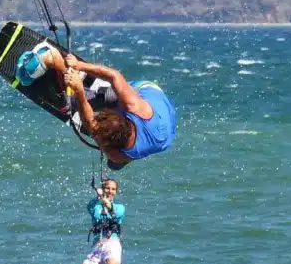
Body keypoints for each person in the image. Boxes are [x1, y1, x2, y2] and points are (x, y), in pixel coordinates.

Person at [15, 42, 176, 171]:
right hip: (148, 91)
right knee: (91, 101)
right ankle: (54, 59)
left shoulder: (117, 156)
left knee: (113, 166)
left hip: (166, 125)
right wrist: (79, 69)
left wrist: (79, 91)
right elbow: (114, 76)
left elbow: (92, 124)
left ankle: (86, 89)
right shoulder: (133, 105)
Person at [78, 178, 125, 264]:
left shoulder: (120, 208)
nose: (110, 191)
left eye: (113, 189)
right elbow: (92, 205)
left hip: (112, 244)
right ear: (103, 189)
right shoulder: (94, 206)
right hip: (97, 246)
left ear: (116, 192)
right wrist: (98, 195)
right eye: (107, 188)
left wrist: (106, 201)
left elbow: (111, 209)